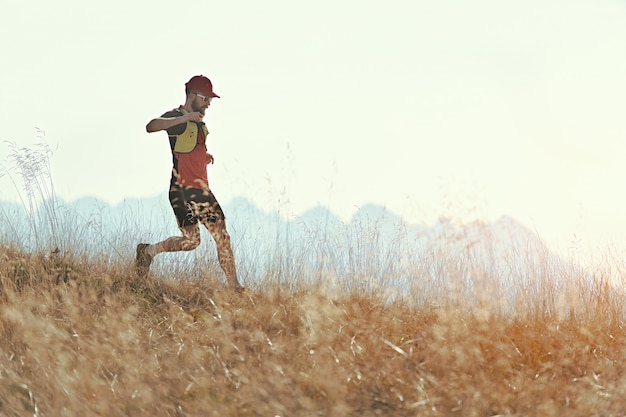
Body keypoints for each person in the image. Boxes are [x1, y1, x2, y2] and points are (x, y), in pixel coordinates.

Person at [136, 75, 243, 291]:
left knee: (220, 237)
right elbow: (151, 126)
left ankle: (234, 287)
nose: (208, 104)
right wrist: (184, 119)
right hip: (182, 191)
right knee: (192, 241)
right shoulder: (177, 116)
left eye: (210, 101)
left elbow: (187, 148)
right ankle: (147, 252)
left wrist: (203, 157)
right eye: (206, 99)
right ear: (193, 95)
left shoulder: (198, 122)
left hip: (201, 190)